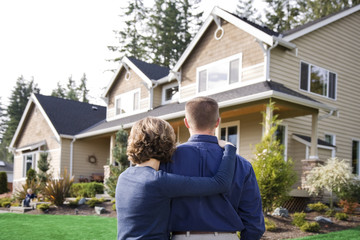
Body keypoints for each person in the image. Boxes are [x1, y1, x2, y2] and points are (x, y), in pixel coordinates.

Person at [115, 116, 237, 240]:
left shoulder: (123, 177)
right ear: (166, 144)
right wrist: (229, 148)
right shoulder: (158, 181)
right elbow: (220, 183)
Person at [161, 97, 265, 240]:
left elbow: (156, 209)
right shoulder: (241, 164)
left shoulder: (167, 160)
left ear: (186, 122)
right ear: (217, 122)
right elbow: (254, 222)